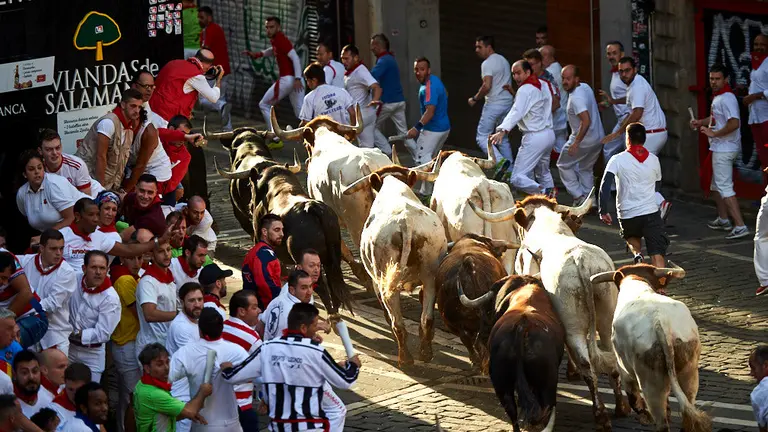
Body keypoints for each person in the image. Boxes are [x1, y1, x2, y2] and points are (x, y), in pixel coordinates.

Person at [222, 303, 360, 432]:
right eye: (314, 325)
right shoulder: (315, 351)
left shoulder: (267, 348)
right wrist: (352, 364)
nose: (316, 329)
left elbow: (233, 376)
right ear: (303, 328)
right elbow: (346, 381)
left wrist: (227, 368)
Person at [601, 56, 671, 220]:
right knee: (641, 172)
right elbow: (630, 100)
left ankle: (660, 203)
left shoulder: (637, 86)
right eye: (621, 71)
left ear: (635, 69)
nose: (624, 74)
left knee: (635, 173)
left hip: (651, 135)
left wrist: (617, 133)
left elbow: (637, 112)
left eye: (627, 70)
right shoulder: (635, 83)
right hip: (654, 133)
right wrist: (613, 101)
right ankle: (654, 206)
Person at [690, 65, 749, 240]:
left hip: (725, 148)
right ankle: (724, 219)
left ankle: (740, 225)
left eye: (717, 79)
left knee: (724, 187)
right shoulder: (719, 98)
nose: (713, 82)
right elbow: (717, 118)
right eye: (711, 78)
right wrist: (700, 122)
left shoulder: (727, 98)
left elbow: (734, 123)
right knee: (716, 186)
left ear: (725, 80)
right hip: (719, 148)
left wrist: (713, 133)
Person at [598, 123, 668, 267]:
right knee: (657, 252)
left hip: (628, 213)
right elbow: (657, 185)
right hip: (650, 211)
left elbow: (605, 186)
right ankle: (661, 287)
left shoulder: (616, 159)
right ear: (644, 139)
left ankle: (637, 255)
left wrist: (603, 211)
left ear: (627, 139)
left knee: (632, 236)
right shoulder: (654, 159)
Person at [169, 308, 248, 432]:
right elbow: (256, 375)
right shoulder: (237, 351)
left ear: (199, 329)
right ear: (222, 328)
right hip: (232, 423)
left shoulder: (185, 353)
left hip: (203, 422)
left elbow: (166, 380)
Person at [490, 60, 556, 196]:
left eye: (518, 73)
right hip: (549, 134)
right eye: (513, 74)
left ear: (527, 72)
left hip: (535, 136)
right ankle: (551, 201)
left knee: (516, 178)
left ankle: (545, 192)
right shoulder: (544, 84)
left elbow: (517, 111)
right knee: (543, 172)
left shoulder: (525, 90)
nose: (516, 77)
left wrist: (502, 130)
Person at [243, 16, 305, 149]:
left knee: (264, 104)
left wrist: (298, 78)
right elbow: (274, 51)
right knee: (301, 112)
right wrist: (258, 54)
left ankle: (276, 138)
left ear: (278, 27)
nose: (268, 30)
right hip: (293, 80)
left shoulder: (281, 39)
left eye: (271, 27)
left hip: (289, 80)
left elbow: (295, 57)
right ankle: (319, 131)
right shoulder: (276, 40)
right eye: (267, 27)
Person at [60, 198, 169, 270]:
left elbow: (129, 250)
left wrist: (158, 241)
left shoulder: (99, 237)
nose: (96, 219)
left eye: (97, 215)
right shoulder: (62, 236)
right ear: (78, 216)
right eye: (91, 215)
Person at [18, 229, 77, 355]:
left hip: (54, 336)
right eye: (53, 249)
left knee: (56, 375)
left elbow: (51, 304)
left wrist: (20, 308)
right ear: (42, 248)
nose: (58, 253)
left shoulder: (67, 272)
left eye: (61, 249)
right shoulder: (25, 261)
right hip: (27, 334)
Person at [67, 251, 120, 383]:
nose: (98, 272)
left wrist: (75, 334)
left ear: (107, 270)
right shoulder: (73, 279)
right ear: (84, 268)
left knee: (89, 395)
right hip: (68, 349)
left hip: (92, 355)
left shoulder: (111, 297)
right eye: (94, 267)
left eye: (102, 268)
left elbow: (103, 333)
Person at [76, 89, 144, 190]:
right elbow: (100, 157)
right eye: (133, 106)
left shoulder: (129, 129)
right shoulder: (108, 123)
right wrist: (101, 189)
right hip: (90, 182)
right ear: (123, 105)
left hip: (110, 186)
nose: (137, 111)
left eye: (139, 107)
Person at [135, 343, 212, 432]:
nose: (167, 368)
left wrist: (185, 413)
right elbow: (191, 411)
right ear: (147, 368)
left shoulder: (142, 384)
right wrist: (202, 393)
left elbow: (166, 414)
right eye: (160, 364)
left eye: (167, 362)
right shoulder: (154, 394)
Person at [556, 65, 605, 205]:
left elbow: (586, 120)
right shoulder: (585, 87)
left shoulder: (576, 98)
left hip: (583, 140)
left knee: (563, 165)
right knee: (585, 169)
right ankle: (591, 202)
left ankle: (579, 197)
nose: (565, 82)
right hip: (597, 139)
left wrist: (576, 142)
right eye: (563, 78)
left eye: (568, 79)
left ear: (577, 79)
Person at [109, 245, 143, 432]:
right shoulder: (125, 280)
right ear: (123, 259)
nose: (137, 263)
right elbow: (141, 314)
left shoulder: (127, 277)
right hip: (126, 344)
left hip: (126, 343)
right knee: (134, 396)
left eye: (140, 258)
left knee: (126, 396)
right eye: (132, 258)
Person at [469, 36, 514, 175]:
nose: (477, 50)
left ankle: (500, 163)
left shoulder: (487, 63)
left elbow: (487, 85)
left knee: (482, 136)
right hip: (507, 103)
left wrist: (475, 98)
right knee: (502, 137)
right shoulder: (504, 60)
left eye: (480, 47)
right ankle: (510, 171)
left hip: (494, 104)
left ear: (489, 47)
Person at [407, 57, 451, 196]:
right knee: (430, 159)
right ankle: (426, 191)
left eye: (422, 69)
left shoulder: (428, 88)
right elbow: (446, 93)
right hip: (444, 128)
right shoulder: (435, 81)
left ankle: (435, 189)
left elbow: (430, 111)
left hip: (433, 130)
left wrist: (416, 128)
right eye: (416, 69)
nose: (418, 72)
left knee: (421, 160)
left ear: (428, 70)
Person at [16, 151, 81, 240]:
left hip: (81, 229)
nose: (36, 172)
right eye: (31, 169)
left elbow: (71, 217)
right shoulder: (22, 193)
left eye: (39, 168)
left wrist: (45, 237)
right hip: (54, 237)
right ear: (24, 174)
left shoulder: (54, 185)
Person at [221, 290, 262, 432]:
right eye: (254, 307)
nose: (259, 311)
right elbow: (264, 369)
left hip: (220, 402)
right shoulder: (251, 338)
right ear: (241, 311)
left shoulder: (222, 328)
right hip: (242, 404)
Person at [126, 72, 173, 195]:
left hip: (153, 172)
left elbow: (141, 165)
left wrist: (125, 191)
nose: (150, 90)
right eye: (146, 86)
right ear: (134, 86)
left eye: (152, 87)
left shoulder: (149, 127)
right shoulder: (120, 117)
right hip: (135, 169)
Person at [165, 283, 204, 432]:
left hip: (190, 389)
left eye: (200, 299)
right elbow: (195, 361)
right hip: (181, 393)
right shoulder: (182, 326)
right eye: (192, 300)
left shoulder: (195, 321)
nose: (197, 304)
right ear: (182, 302)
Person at [151, 48, 224, 125]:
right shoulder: (196, 76)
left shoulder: (174, 62)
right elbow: (214, 97)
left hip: (152, 109)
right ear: (209, 66)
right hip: (165, 118)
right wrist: (218, 79)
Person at [370, 33, 413, 155]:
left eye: (373, 45)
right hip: (399, 101)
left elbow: (370, 77)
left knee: (370, 127)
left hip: (387, 102)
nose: (371, 48)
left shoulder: (383, 61)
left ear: (378, 45)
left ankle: (387, 151)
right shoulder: (390, 58)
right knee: (404, 134)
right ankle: (419, 157)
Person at [135, 241, 177, 364]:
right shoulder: (148, 282)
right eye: (161, 251)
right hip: (150, 347)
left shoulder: (169, 277)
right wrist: (179, 315)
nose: (166, 254)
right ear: (151, 255)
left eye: (168, 250)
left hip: (166, 344)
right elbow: (149, 314)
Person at [0, 252, 47, 350]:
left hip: (32, 316)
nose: (5, 283)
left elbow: (26, 293)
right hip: (9, 318)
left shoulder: (6, 258)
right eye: (3, 278)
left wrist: (7, 321)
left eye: (6, 278)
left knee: (5, 345)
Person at [341, 44, 384, 152]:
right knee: (367, 148)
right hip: (366, 115)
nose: (344, 61)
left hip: (360, 116)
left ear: (355, 58)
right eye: (342, 58)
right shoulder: (353, 71)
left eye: (347, 58)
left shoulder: (360, 70)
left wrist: (375, 99)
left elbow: (376, 86)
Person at [37, 129, 103, 199]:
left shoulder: (77, 165)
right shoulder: (38, 168)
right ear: (40, 151)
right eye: (49, 149)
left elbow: (86, 201)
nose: (55, 153)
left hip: (96, 199)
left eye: (57, 148)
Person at [197, 6, 233, 131]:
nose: (199, 20)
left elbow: (205, 51)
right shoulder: (214, 30)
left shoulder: (211, 30)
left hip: (214, 71)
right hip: (224, 70)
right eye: (199, 17)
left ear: (209, 17)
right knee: (220, 98)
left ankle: (221, 106)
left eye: (202, 17)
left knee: (203, 99)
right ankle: (228, 130)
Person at [598, 41, 631, 161]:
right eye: (609, 54)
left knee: (624, 151)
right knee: (609, 148)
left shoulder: (625, 74)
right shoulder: (615, 73)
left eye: (614, 53)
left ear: (622, 54)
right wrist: (607, 103)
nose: (611, 57)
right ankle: (613, 179)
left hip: (629, 118)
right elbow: (619, 97)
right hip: (621, 119)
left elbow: (632, 97)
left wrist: (613, 101)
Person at [242, 214, 283, 309]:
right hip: (264, 309)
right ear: (264, 231)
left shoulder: (257, 251)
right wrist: (279, 305)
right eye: (277, 230)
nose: (282, 234)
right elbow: (264, 284)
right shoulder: (264, 254)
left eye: (282, 229)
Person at [160, 116, 201, 207]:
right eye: (182, 134)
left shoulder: (185, 156)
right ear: (171, 129)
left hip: (163, 189)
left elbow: (172, 183)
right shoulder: (158, 138)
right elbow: (158, 132)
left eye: (187, 135)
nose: (184, 139)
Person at [262, 270, 314, 341]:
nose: (309, 292)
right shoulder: (294, 312)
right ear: (292, 290)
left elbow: (261, 324)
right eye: (303, 288)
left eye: (310, 286)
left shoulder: (277, 300)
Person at [540, 45, 569, 155]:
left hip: (554, 117)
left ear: (546, 57)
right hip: (562, 116)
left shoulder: (549, 73)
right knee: (561, 148)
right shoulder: (558, 68)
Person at [745, 33, 768, 169]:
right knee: (764, 159)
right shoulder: (756, 63)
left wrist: (754, 96)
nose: (758, 47)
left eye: (762, 45)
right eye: (756, 44)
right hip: (755, 118)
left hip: (766, 119)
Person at [13, 350, 52, 418]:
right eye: (24, 372)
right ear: (14, 375)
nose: (31, 377)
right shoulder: (8, 405)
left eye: (35, 371)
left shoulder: (49, 397)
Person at [94, 192, 121, 264]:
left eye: (114, 210)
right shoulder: (87, 226)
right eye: (107, 208)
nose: (110, 213)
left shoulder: (115, 237)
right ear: (98, 208)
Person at [750, 344, 768, 429]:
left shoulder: (759, 393)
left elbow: (763, 429)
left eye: (753, 368)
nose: (752, 373)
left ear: (766, 365)